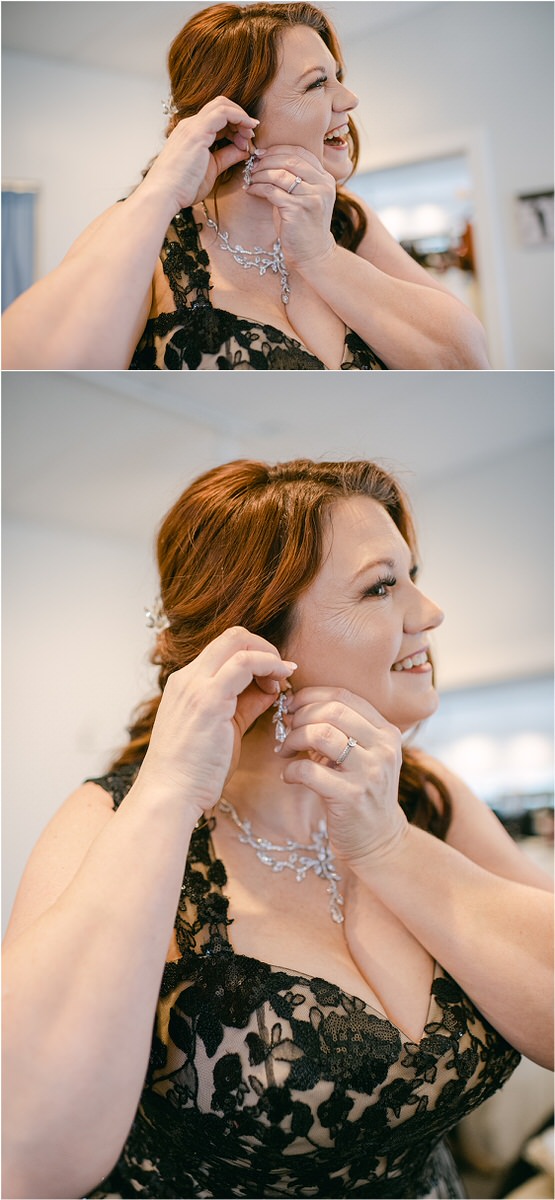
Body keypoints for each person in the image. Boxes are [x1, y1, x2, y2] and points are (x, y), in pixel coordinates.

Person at [3, 456, 552, 1200]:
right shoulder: (110, 818)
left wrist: (387, 845)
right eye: (381, 586)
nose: (427, 612)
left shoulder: (425, 792)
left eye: (411, 575)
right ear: (259, 639)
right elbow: (29, 1160)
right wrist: (170, 792)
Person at [2, 3, 490, 372]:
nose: (350, 99)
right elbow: (34, 372)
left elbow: (466, 360)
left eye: (338, 77)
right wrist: (160, 193)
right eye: (317, 84)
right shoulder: (146, 228)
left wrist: (321, 257)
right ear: (239, 116)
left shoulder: (347, 218)